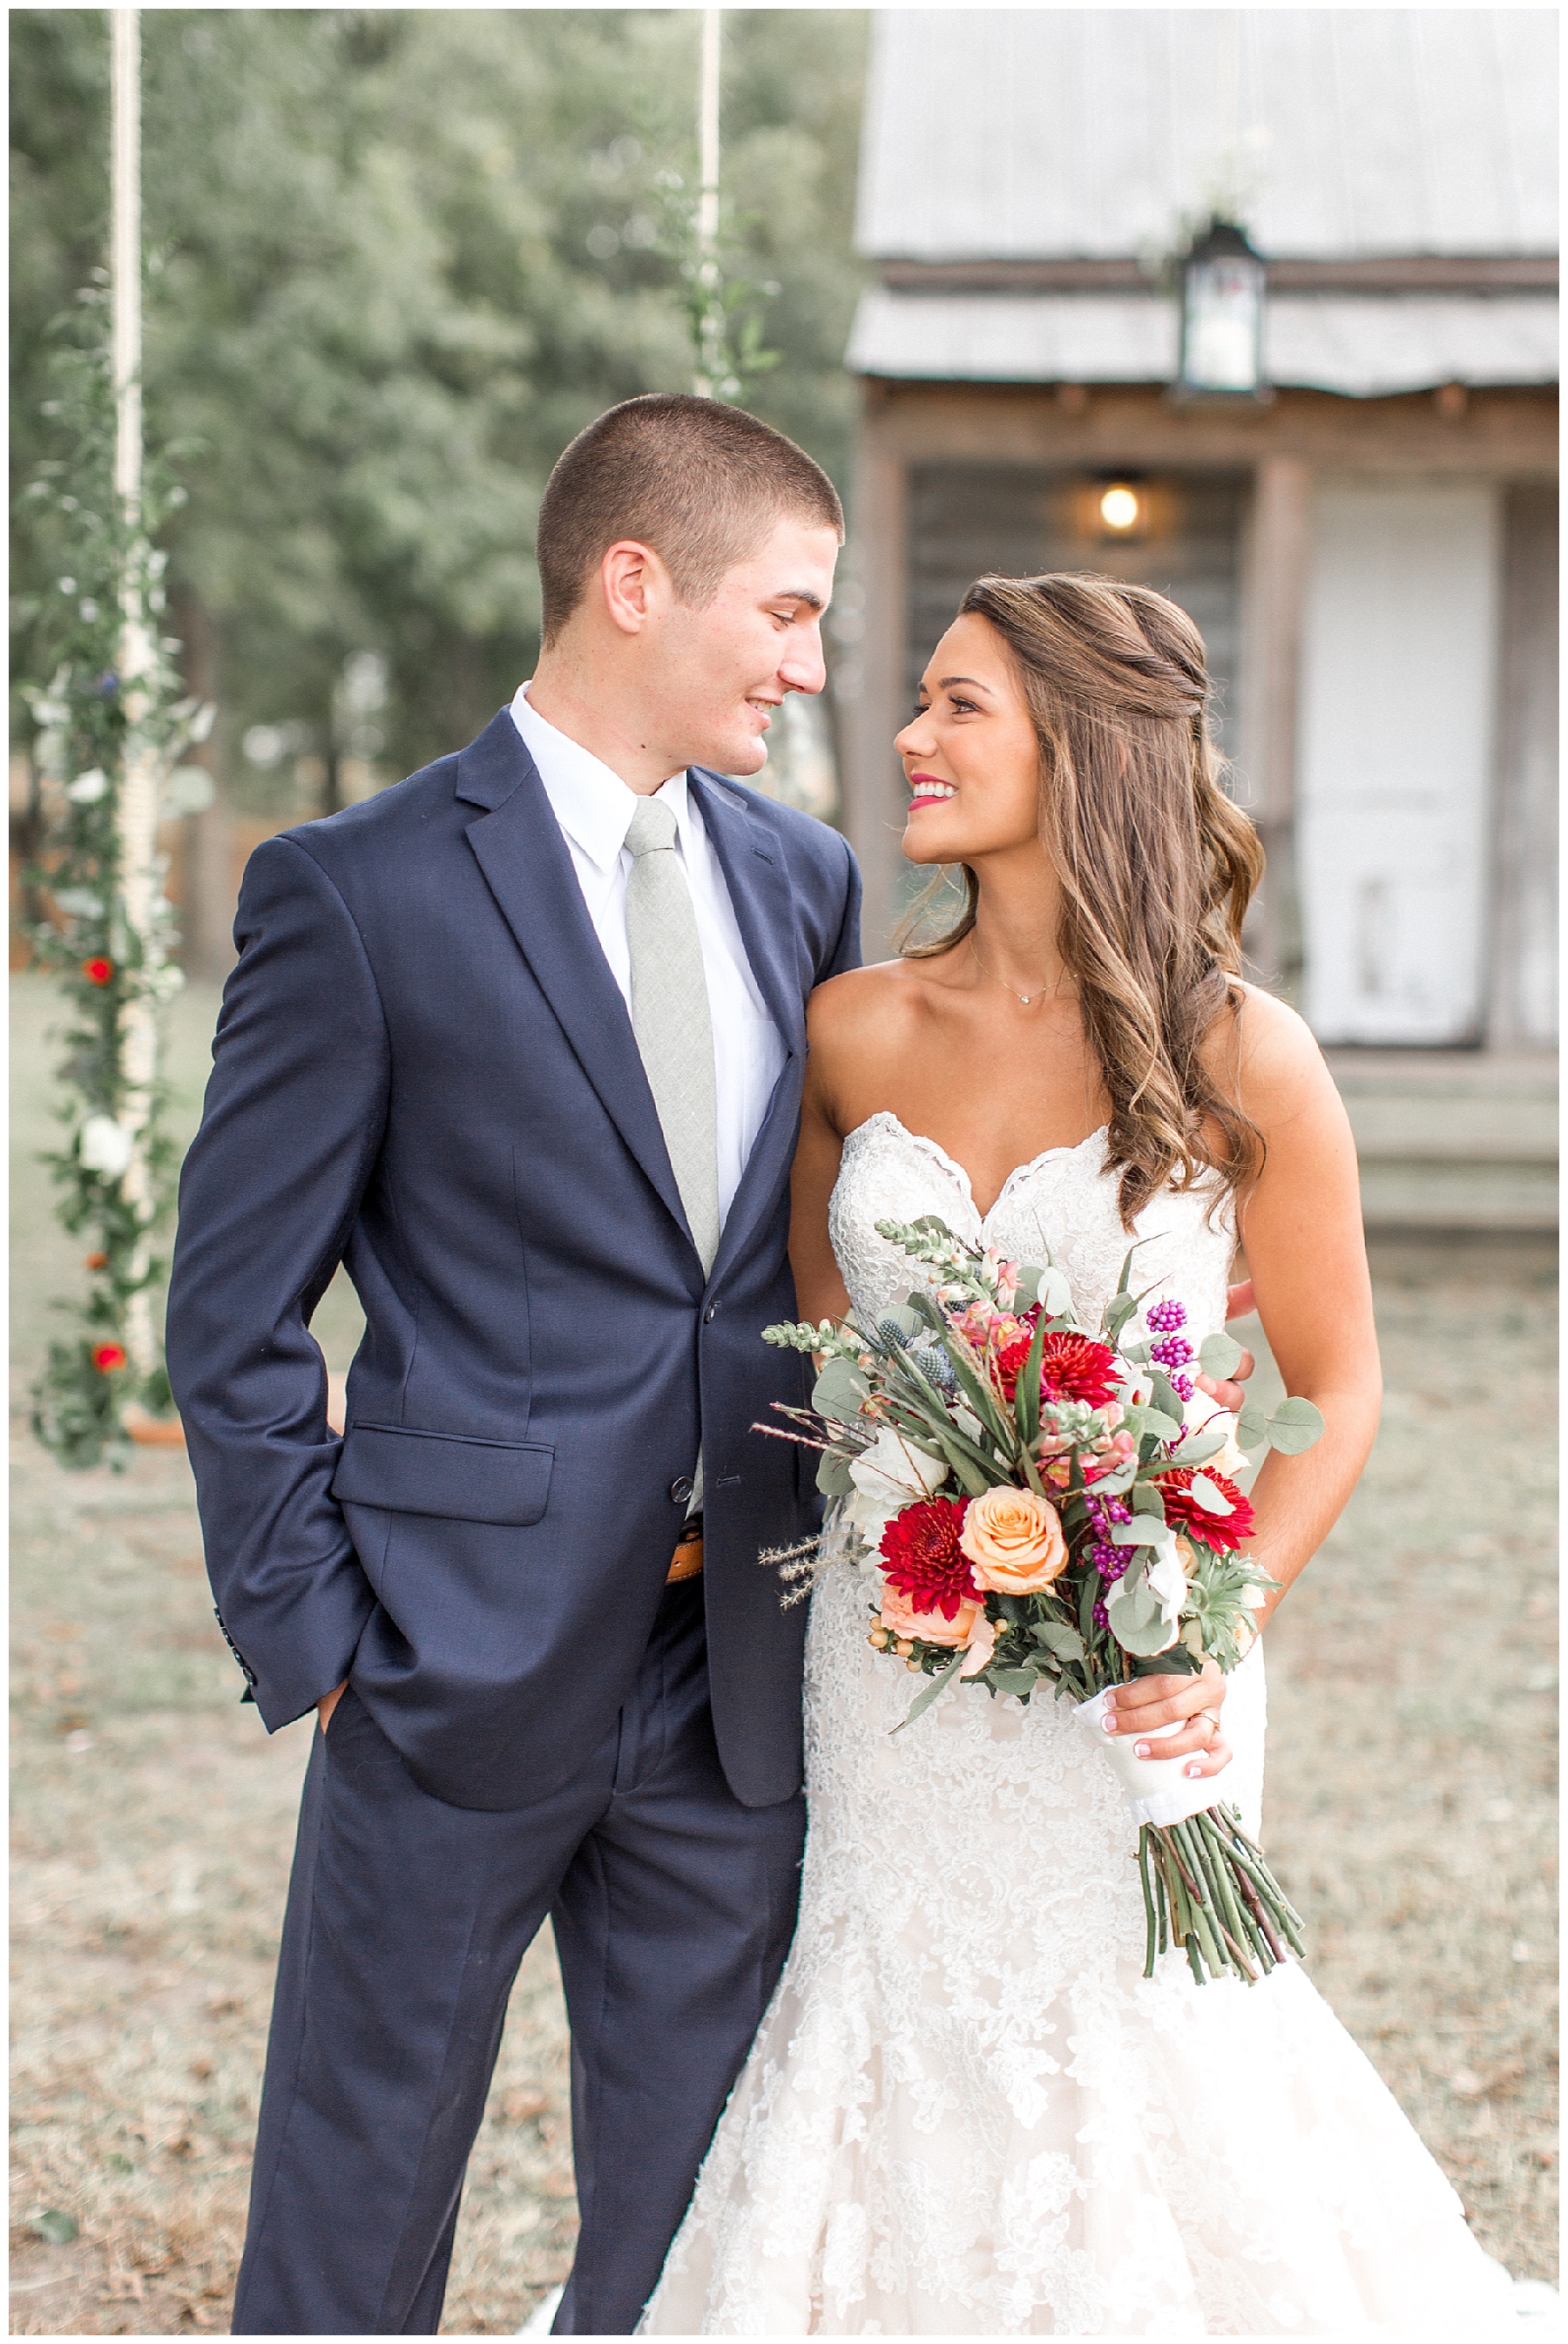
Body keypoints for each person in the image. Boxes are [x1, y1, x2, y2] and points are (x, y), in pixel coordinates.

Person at [167, 398, 1252, 2336]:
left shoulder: (802, 880)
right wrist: (319, 1634)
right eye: (789, 611)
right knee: (358, 2192)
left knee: (697, 2227)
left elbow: (809, 1275)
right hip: (445, 1659)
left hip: (737, 1691)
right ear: (635, 580)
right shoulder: (360, 887)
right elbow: (235, 1306)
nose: (812, 668)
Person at [639, 574, 1522, 2335]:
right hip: (894, 1651)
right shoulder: (851, 1028)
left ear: (1088, 736)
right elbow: (824, 1367)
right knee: (888, 1992)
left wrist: (1214, 1618)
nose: (910, 734)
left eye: (960, 704)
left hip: (1147, 1673)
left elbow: (1340, 1386)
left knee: (1152, 2016)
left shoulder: (1240, 1052)